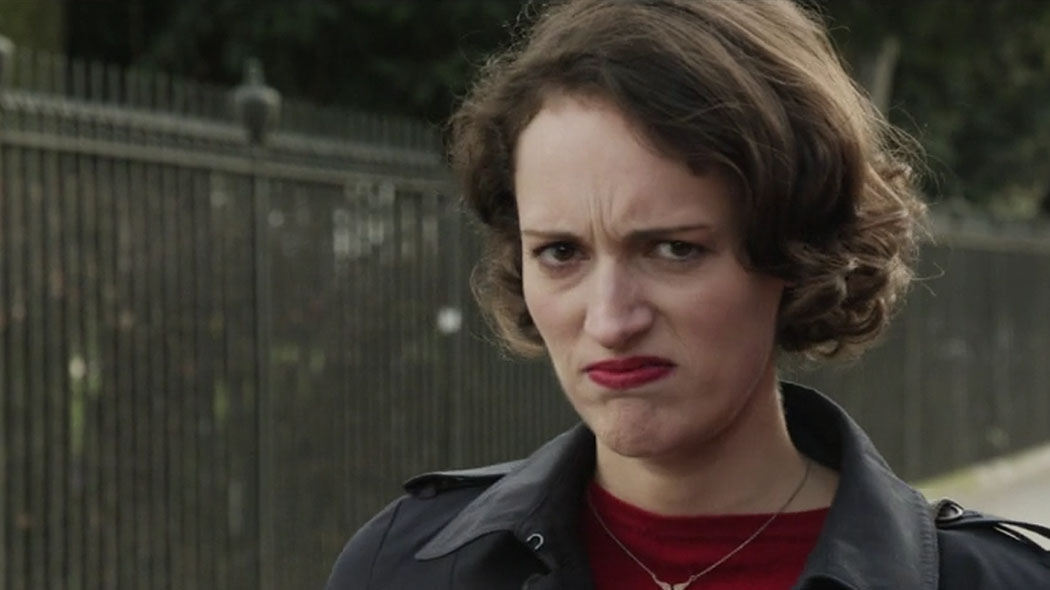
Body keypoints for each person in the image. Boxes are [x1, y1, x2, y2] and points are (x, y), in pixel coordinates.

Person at [325, 1, 1050, 588]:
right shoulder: (404, 567)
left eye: (674, 249)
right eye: (561, 252)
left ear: (797, 248)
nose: (610, 319)